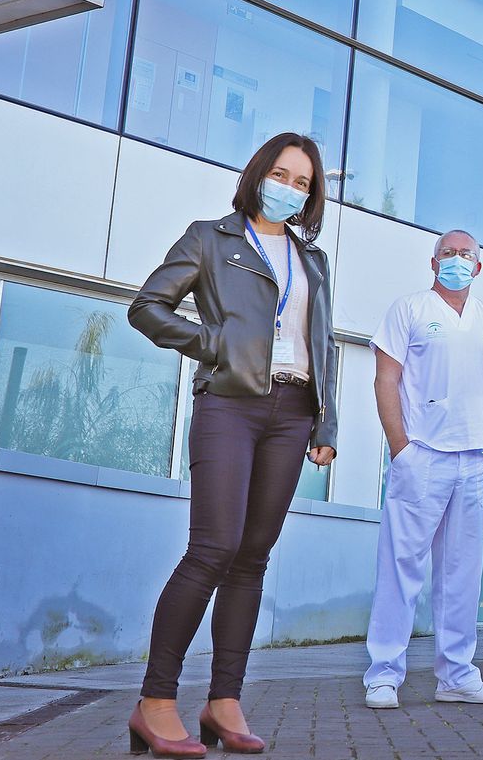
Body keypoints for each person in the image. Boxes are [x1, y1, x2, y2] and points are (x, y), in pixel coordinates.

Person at [127, 133, 338, 757]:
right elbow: (148, 307)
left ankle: (224, 702)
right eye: (282, 175)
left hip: (294, 409)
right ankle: (155, 702)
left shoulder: (313, 259)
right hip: (230, 404)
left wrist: (325, 426)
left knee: (252, 558)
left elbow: (322, 347)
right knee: (212, 548)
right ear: (257, 175)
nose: (290, 189)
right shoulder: (209, 239)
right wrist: (215, 345)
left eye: (303, 183)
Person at [363, 230, 483, 710]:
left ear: (478, 266)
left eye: (465, 254)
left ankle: (457, 676)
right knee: (401, 567)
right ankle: (383, 675)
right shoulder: (409, 309)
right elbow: (385, 378)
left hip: (473, 459)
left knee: (462, 574)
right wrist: (400, 447)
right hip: (421, 455)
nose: (456, 260)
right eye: (447, 254)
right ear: (433, 264)